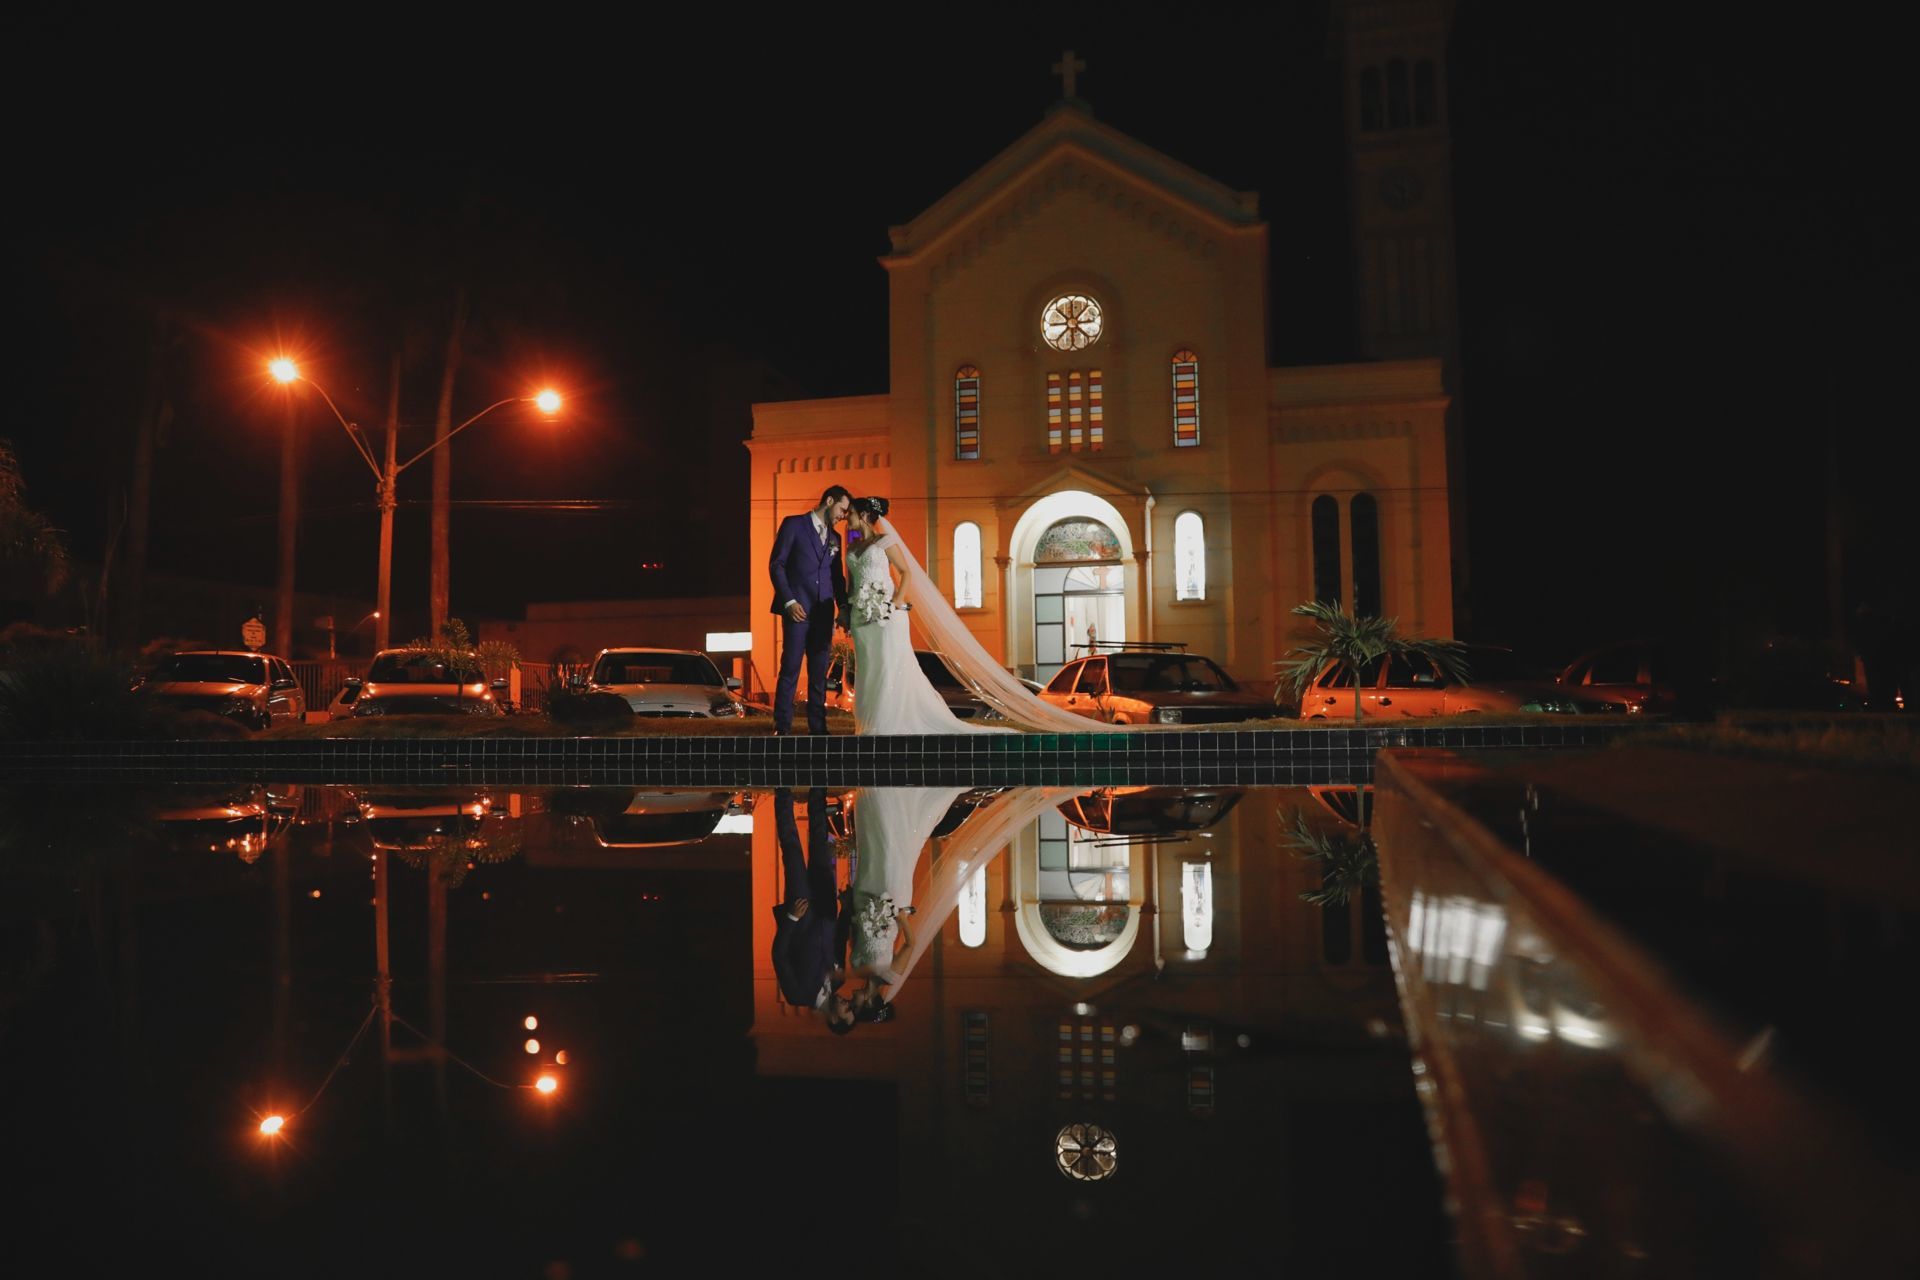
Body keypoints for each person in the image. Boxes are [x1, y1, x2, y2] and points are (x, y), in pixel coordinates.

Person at [842, 499, 1098, 734]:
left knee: (886, 667)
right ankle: (867, 723)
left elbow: (905, 573)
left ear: (864, 515)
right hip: (861, 617)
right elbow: (851, 584)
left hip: (887, 615)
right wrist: (848, 610)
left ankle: (886, 725)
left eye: (851, 513)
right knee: (867, 669)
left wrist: (893, 605)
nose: (847, 518)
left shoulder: (885, 542)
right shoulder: (852, 547)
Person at [769, 788, 855, 1034]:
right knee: (820, 841)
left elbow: (780, 956)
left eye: (846, 1011)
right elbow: (839, 940)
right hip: (826, 906)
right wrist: (846, 911)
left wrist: (791, 918)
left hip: (801, 911)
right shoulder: (840, 980)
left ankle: (782, 790)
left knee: (792, 851)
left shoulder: (798, 995)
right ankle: (818, 787)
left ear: (834, 1020)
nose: (847, 1004)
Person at [768, 485, 851, 736]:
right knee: (790, 668)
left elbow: (837, 578)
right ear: (829, 500)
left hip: (823, 615)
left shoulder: (835, 539)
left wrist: (843, 606)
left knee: (818, 673)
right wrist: (789, 601)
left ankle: (818, 728)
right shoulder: (793, 525)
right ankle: (782, 727)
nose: (843, 516)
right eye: (841, 509)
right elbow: (777, 564)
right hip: (797, 610)